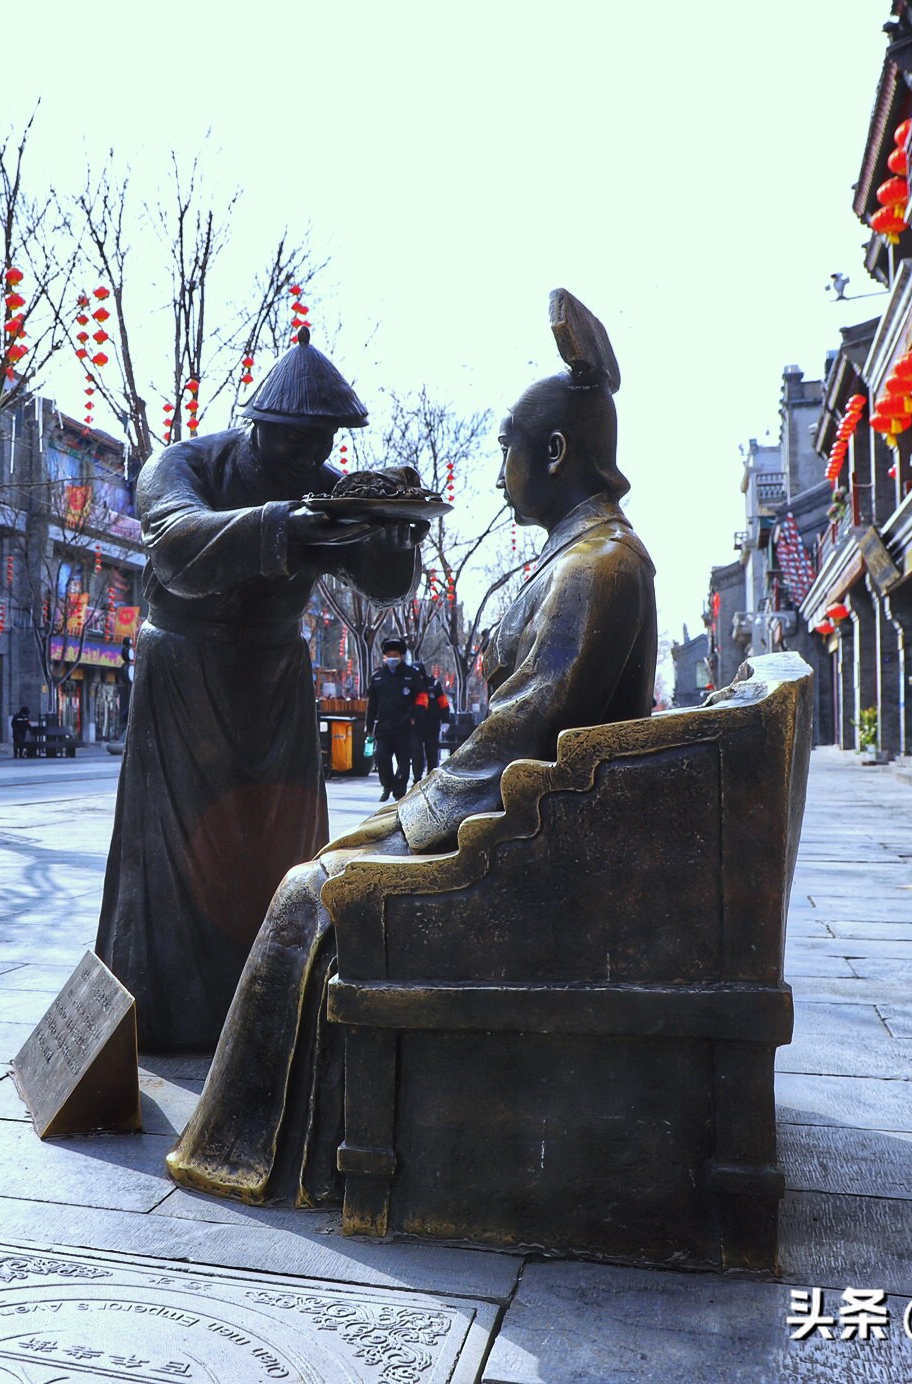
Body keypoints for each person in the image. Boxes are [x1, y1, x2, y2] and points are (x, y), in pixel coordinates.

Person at [166, 289, 658, 1204]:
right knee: (320, 868)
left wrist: (409, 817)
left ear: (554, 453)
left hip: (533, 846)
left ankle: (251, 1148)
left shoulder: (598, 567)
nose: (499, 466)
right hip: (523, 815)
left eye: (509, 444)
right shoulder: (578, 554)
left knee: (310, 887)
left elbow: (522, 727)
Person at [95, 329, 424, 1052]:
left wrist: (396, 546)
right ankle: (173, 1012)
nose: (313, 457)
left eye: (324, 441)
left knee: (280, 853)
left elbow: (379, 582)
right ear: (262, 424)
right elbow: (177, 543)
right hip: (186, 673)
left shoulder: (327, 488)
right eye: (299, 441)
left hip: (276, 678)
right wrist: (282, 527)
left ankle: (279, 1000)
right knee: (177, 857)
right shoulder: (182, 464)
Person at [364, 637, 423, 803]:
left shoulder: (412, 675)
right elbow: (372, 704)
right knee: (381, 757)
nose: (391, 657)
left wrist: (415, 716)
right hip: (383, 726)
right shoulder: (377, 677)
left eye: (395, 654)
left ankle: (399, 792)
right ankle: (387, 785)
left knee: (404, 762)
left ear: (401, 655)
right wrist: (369, 725)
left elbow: (422, 697)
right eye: (388, 654)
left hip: (404, 727)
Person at [410, 674, 452, 782]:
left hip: (432, 726)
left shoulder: (434, 684)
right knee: (416, 752)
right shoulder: (409, 683)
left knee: (432, 753)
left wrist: (445, 721)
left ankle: (431, 778)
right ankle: (417, 778)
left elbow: (443, 704)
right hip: (415, 726)